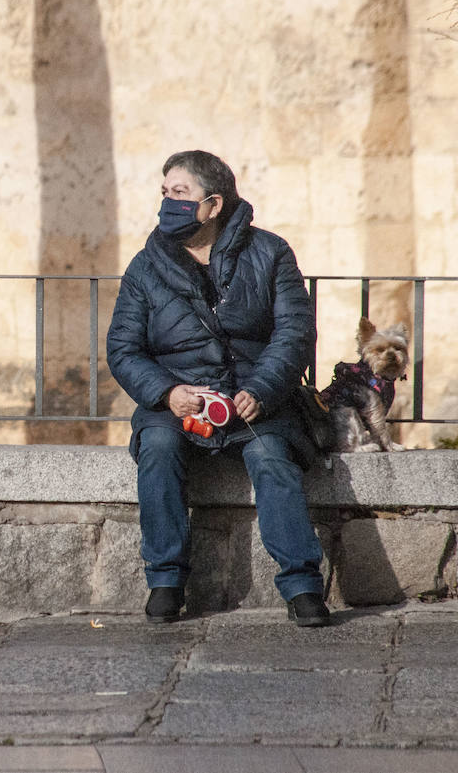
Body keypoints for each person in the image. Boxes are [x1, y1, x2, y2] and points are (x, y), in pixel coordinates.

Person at [106, 150, 330, 627]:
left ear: (213, 204)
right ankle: (164, 580)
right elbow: (123, 349)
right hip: (176, 402)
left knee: (272, 457)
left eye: (180, 193)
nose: (168, 202)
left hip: (255, 400)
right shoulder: (145, 266)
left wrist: (261, 389)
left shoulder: (270, 252)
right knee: (159, 446)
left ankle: (303, 586)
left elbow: (295, 334)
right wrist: (167, 394)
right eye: (165, 192)